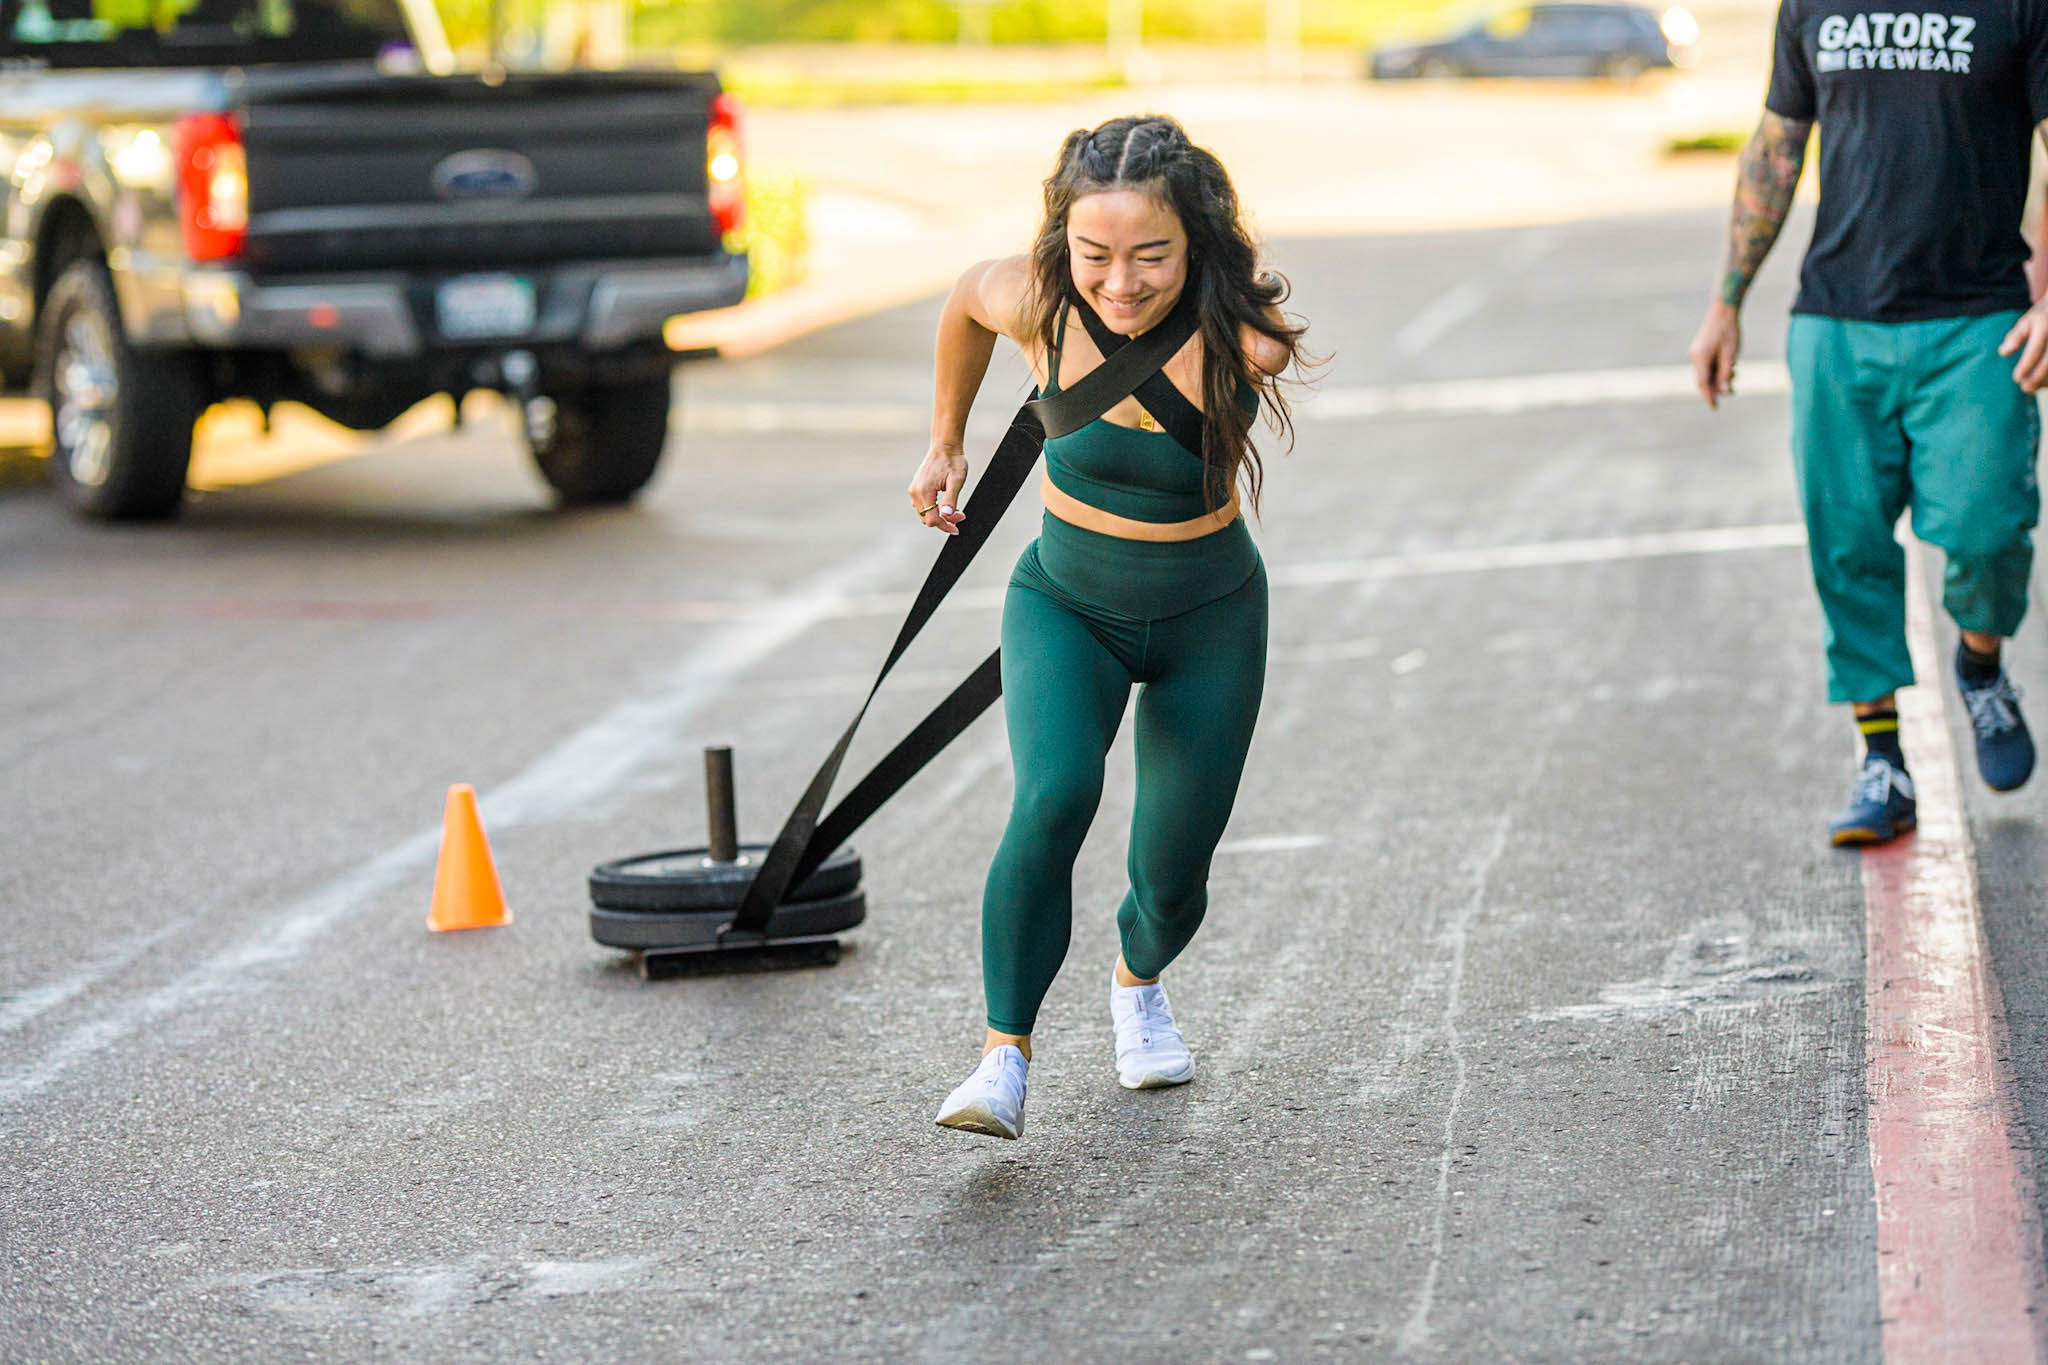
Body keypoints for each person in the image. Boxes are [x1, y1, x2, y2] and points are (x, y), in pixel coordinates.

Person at [906, 115, 1311, 1139]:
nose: (1119, 283)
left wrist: (1219, 292)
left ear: (1196, 243)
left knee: (1172, 879)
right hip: (1064, 603)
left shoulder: (1238, 343)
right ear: (1063, 243)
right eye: (1094, 255)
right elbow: (963, 299)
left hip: (1207, 618)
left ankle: (1138, 983)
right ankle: (1003, 1058)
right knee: (1053, 795)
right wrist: (943, 442)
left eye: (1151, 256)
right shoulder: (1039, 303)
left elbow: (1252, 321)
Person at [1688, 0, 2048, 844]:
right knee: (1846, 545)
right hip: (1836, 322)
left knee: (1989, 530)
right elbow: (1776, 148)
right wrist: (1725, 303)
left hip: (1976, 321)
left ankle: (1981, 666)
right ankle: (1882, 760)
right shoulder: (1811, 3)